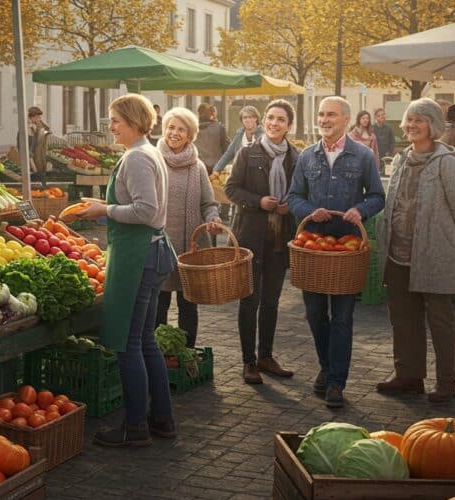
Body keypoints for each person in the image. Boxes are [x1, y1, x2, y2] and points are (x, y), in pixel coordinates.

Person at [73, 93, 176, 448]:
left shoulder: (137, 159)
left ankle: (135, 429)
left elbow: (146, 211)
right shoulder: (149, 153)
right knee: (146, 341)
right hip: (152, 253)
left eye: (115, 121)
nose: (111, 127)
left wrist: (105, 209)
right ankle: (162, 419)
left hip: (139, 258)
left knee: (129, 345)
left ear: (133, 121)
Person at [287, 96, 385, 408]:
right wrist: (310, 210)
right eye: (321, 114)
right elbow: (293, 196)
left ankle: (335, 383)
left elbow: (378, 197)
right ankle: (327, 367)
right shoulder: (307, 156)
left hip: (347, 249)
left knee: (342, 316)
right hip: (313, 249)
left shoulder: (363, 155)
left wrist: (360, 209)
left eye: (331, 114)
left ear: (345, 119)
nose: (325, 119)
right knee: (315, 313)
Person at [376, 98, 455, 404]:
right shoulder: (402, 159)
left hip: (433, 254)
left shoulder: (446, 161)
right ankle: (409, 375)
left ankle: (447, 381)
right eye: (409, 120)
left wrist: (440, 237)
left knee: (440, 319)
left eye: (420, 120)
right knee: (403, 317)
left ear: (432, 125)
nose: (412, 125)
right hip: (398, 253)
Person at [225, 100, 299, 384]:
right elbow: (231, 189)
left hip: (280, 239)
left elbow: (300, 192)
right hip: (252, 237)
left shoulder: (297, 157)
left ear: (289, 125)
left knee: (271, 301)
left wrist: (288, 205)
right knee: (250, 300)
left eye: (281, 119)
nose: (274, 123)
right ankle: (248, 361)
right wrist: (259, 202)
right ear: (264, 121)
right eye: (270, 118)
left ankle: (266, 356)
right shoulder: (248, 153)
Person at [154, 107, 222, 348]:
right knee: (158, 305)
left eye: (181, 129)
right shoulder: (152, 160)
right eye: (171, 127)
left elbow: (208, 203)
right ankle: (157, 356)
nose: (174, 133)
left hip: (189, 249)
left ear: (190, 135)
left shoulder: (197, 167)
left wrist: (213, 219)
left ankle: (186, 353)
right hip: (158, 247)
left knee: (187, 303)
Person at [212, 106, 265, 176]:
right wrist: (217, 169)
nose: (247, 120)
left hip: (258, 175)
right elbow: (229, 153)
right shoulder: (239, 135)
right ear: (242, 120)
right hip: (240, 174)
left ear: (255, 118)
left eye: (250, 117)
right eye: (245, 117)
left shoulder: (263, 135)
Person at [195, 103, 230, 173]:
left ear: (198, 114)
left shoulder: (193, 129)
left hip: (198, 166)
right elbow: (227, 148)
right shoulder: (219, 128)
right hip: (217, 167)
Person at [27, 106, 51, 184]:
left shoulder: (39, 125)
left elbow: (48, 130)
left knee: (42, 178)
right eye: (38, 117)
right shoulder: (28, 128)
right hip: (34, 160)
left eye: (40, 116)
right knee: (37, 181)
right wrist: (34, 168)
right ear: (32, 117)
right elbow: (29, 149)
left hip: (40, 157)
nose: (39, 118)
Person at [372, 108, 395, 172]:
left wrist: (389, 152)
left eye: (383, 115)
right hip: (375, 156)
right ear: (375, 117)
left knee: (386, 173)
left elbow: (392, 142)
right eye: (379, 115)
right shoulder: (372, 128)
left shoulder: (389, 128)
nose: (381, 117)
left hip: (386, 156)